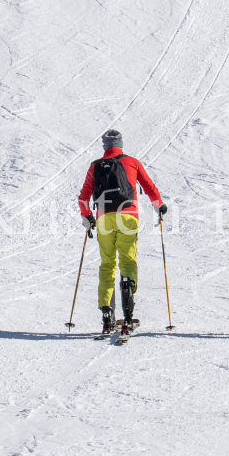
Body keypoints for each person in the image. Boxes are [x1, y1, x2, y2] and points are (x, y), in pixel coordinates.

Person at [78, 130, 167, 336]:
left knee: (107, 264)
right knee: (128, 261)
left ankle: (107, 314)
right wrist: (159, 206)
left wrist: (87, 216)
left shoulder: (95, 166)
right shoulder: (132, 162)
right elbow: (149, 186)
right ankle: (128, 311)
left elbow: (83, 196)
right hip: (128, 217)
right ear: (120, 144)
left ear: (104, 146)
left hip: (103, 219)